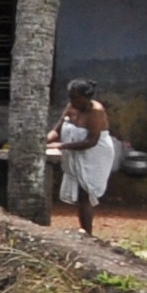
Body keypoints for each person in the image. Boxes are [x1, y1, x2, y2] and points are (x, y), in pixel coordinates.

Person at [49, 83, 123, 237]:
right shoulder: (71, 106)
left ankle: (88, 234)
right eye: (70, 98)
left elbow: (91, 141)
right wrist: (42, 141)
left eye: (76, 98)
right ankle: (85, 230)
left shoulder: (96, 111)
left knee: (85, 193)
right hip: (74, 151)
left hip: (95, 154)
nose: (73, 102)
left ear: (86, 98)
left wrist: (62, 145)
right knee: (80, 192)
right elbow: (56, 131)